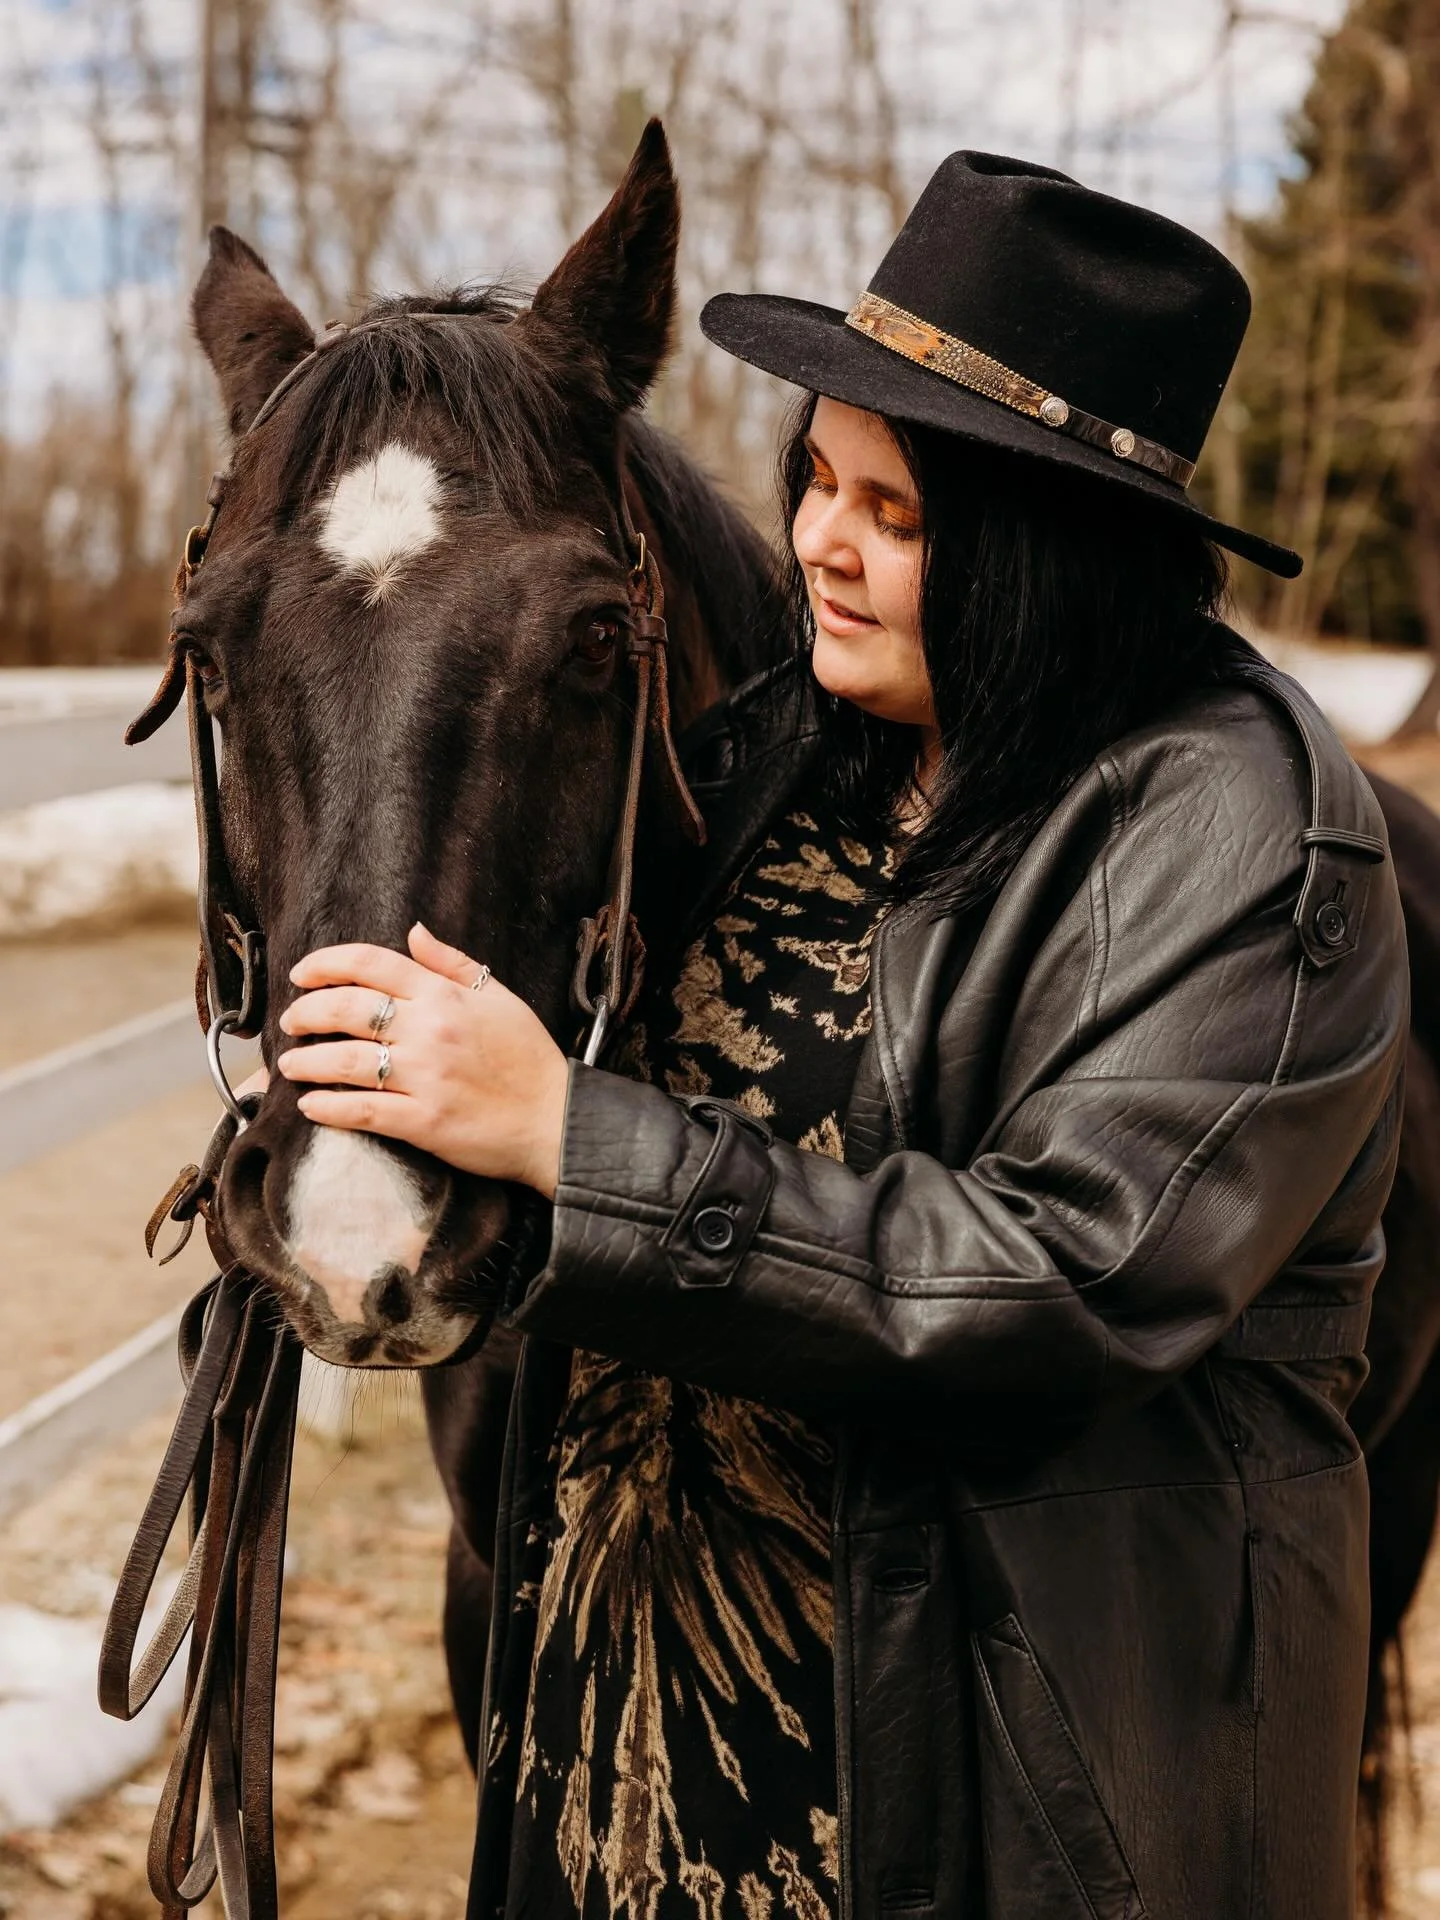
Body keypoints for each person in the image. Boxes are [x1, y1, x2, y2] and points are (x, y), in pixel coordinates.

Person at [271, 153, 1408, 1918]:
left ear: (1052, 550)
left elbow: (1061, 1283)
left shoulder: (1246, 838)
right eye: (815, 475)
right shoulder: (776, 750)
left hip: (969, 1799)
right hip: (627, 1753)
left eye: (898, 513)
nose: (817, 539)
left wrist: (573, 1138)